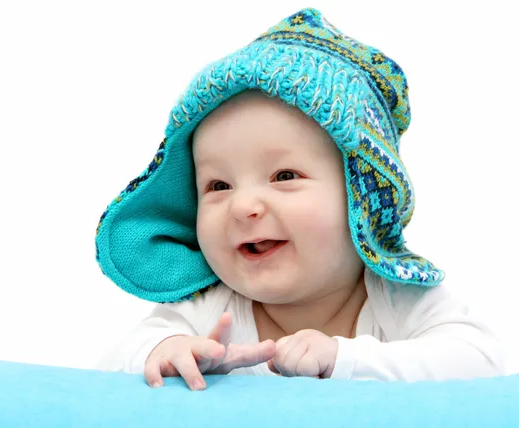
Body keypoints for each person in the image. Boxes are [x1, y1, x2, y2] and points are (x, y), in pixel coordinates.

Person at [93, 8, 506, 390]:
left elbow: (480, 361)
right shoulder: (208, 308)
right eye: (219, 186)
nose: (243, 206)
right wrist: (165, 352)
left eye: (284, 176)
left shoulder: (396, 297)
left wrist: (345, 358)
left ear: (360, 196)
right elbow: (113, 366)